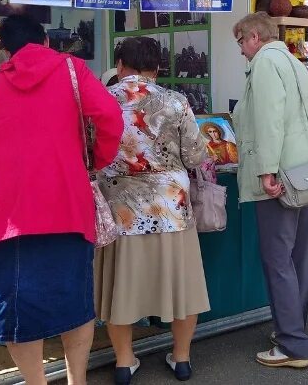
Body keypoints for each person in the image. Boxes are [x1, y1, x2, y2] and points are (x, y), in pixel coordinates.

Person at [0, 14, 123, 385]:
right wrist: (93, 159)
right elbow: (111, 117)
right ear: (47, 42)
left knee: (16, 305)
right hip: (66, 201)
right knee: (75, 299)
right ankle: (76, 380)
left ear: (5, 50)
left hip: (7, 210)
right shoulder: (73, 69)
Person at [95, 37, 210, 383]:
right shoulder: (176, 102)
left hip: (120, 210)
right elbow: (194, 155)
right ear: (157, 68)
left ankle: (124, 362)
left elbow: (89, 152)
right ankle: (182, 357)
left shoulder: (101, 101)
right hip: (171, 209)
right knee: (183, 287)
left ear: (119, 66)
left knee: (121, 288)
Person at [232, 12, 308, 369]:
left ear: (253, 37)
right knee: (297, 259)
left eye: (240, 42)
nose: (240, 50)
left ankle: (293, 343)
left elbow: (269, 120)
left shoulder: (264, 64)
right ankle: (292, 330)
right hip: (306, 172)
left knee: (278, 260)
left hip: (280, 177)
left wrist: (265, 170)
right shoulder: (292, 62)